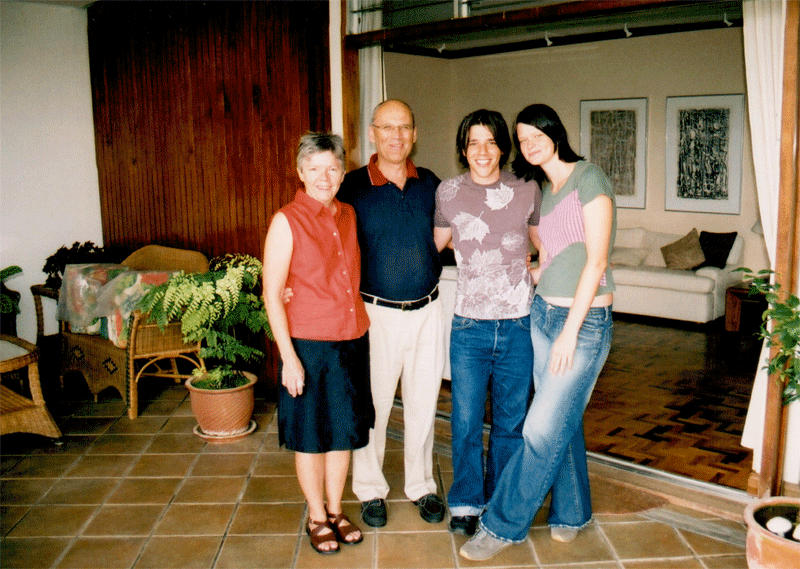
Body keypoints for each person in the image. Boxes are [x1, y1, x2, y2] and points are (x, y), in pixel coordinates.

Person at [460, 104, 616, 561]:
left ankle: (500, 525)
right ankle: (572, 512)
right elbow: (551, 259)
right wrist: (509, 273)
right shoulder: (545, 189)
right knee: (562, 420)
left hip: (582, 325)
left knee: (540, 428)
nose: (529, 144)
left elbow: (596, 262)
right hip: (542, 314)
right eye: (523, 138)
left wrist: (570, 332)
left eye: (536, 135)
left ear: (555, 133)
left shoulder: (589, 178)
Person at [336, 99, 447, 528]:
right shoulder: (350, 187)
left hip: (427, 310)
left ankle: (421, 485)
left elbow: (454, 233)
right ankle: (369, 489)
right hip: (374, 314)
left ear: (414, 135)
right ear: (372, 133)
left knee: (423, 403)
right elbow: (325, 242)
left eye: (404, 127)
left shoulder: (431, 184)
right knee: (374, 406)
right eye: (387, 127)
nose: (396, 136)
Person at [263, 132, 374, 555]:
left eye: (332, 168)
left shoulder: (347, 214)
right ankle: (315, 515)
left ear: (342, 173)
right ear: (300, 172)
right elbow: (272, 294)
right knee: (310, 435)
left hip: (350, 338)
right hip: (307, 345)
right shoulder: (286, 221)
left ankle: (336, 509)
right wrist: (289, 359)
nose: (324, 177)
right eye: (314, 169)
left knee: (342, 433)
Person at [433, 109, 540, 537]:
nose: (482, 151)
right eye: (474, 142)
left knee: (511, 424)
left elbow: (547, 245)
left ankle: (500, 502)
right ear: (463, 149)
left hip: (518, 326)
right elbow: (432, 246)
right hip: (469, 328)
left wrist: (538, 271)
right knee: (465, 421)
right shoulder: (448, 192)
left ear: (503, 148)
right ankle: (465, 502)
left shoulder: (527, 189)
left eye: (491, 142)